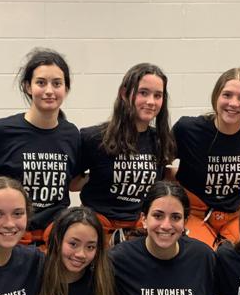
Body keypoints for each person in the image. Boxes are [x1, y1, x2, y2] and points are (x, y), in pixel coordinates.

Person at [0, 48, 80, 248]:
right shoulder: (1, 132)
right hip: (11, 239)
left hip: (54, 241)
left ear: (66, 88)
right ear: (27, 86)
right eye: (41, 82)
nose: (49, 90)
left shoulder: (72, 135)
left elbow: (73, 181)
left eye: (57, 83)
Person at [75, 63, 175, 243]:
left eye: (157, 95)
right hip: (97, 230)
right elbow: (73, 183)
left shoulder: (161, 140)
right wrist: (96, 177)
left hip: (139, 232)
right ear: (124, 93)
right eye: (143, 93)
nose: (151, 101)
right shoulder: (93, 137)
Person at [172, 68, 240, 248]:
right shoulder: (188, 129)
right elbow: (159, 164)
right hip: (194, 214)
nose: (234, 103)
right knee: (200, 254)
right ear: (216, 96)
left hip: (235, 215)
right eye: (227, 95)